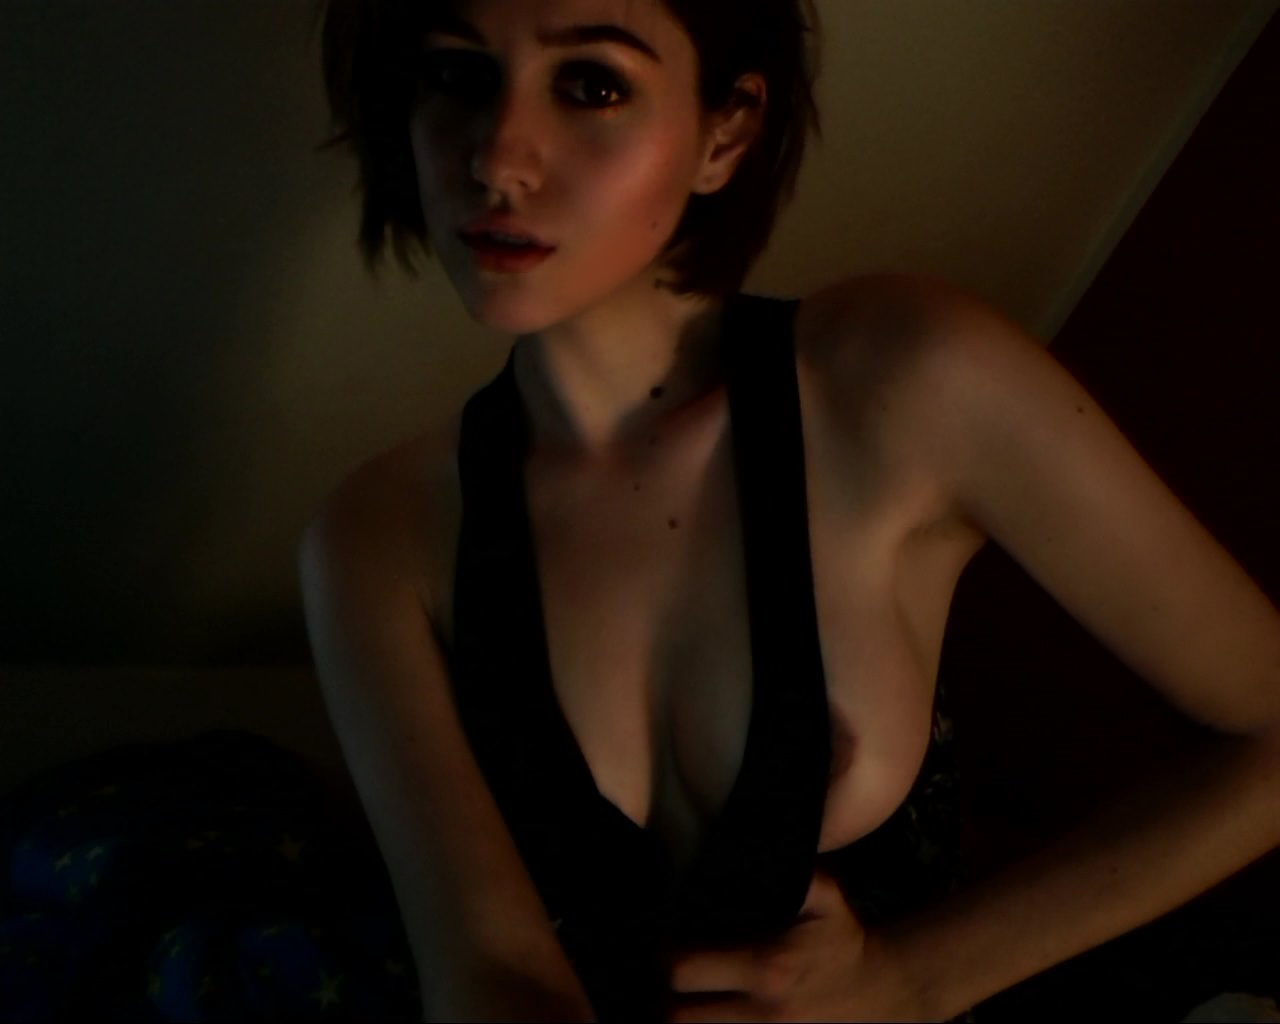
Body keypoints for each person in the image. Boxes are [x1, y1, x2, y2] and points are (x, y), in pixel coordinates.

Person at [299, 1, 1280, 1021]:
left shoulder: (901, 379)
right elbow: (486, 971)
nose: (498, 160)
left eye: (592, 85)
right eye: (458, 76)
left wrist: (913, 983)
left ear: (723, 134)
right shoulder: (377, 535)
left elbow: (1269, 737)